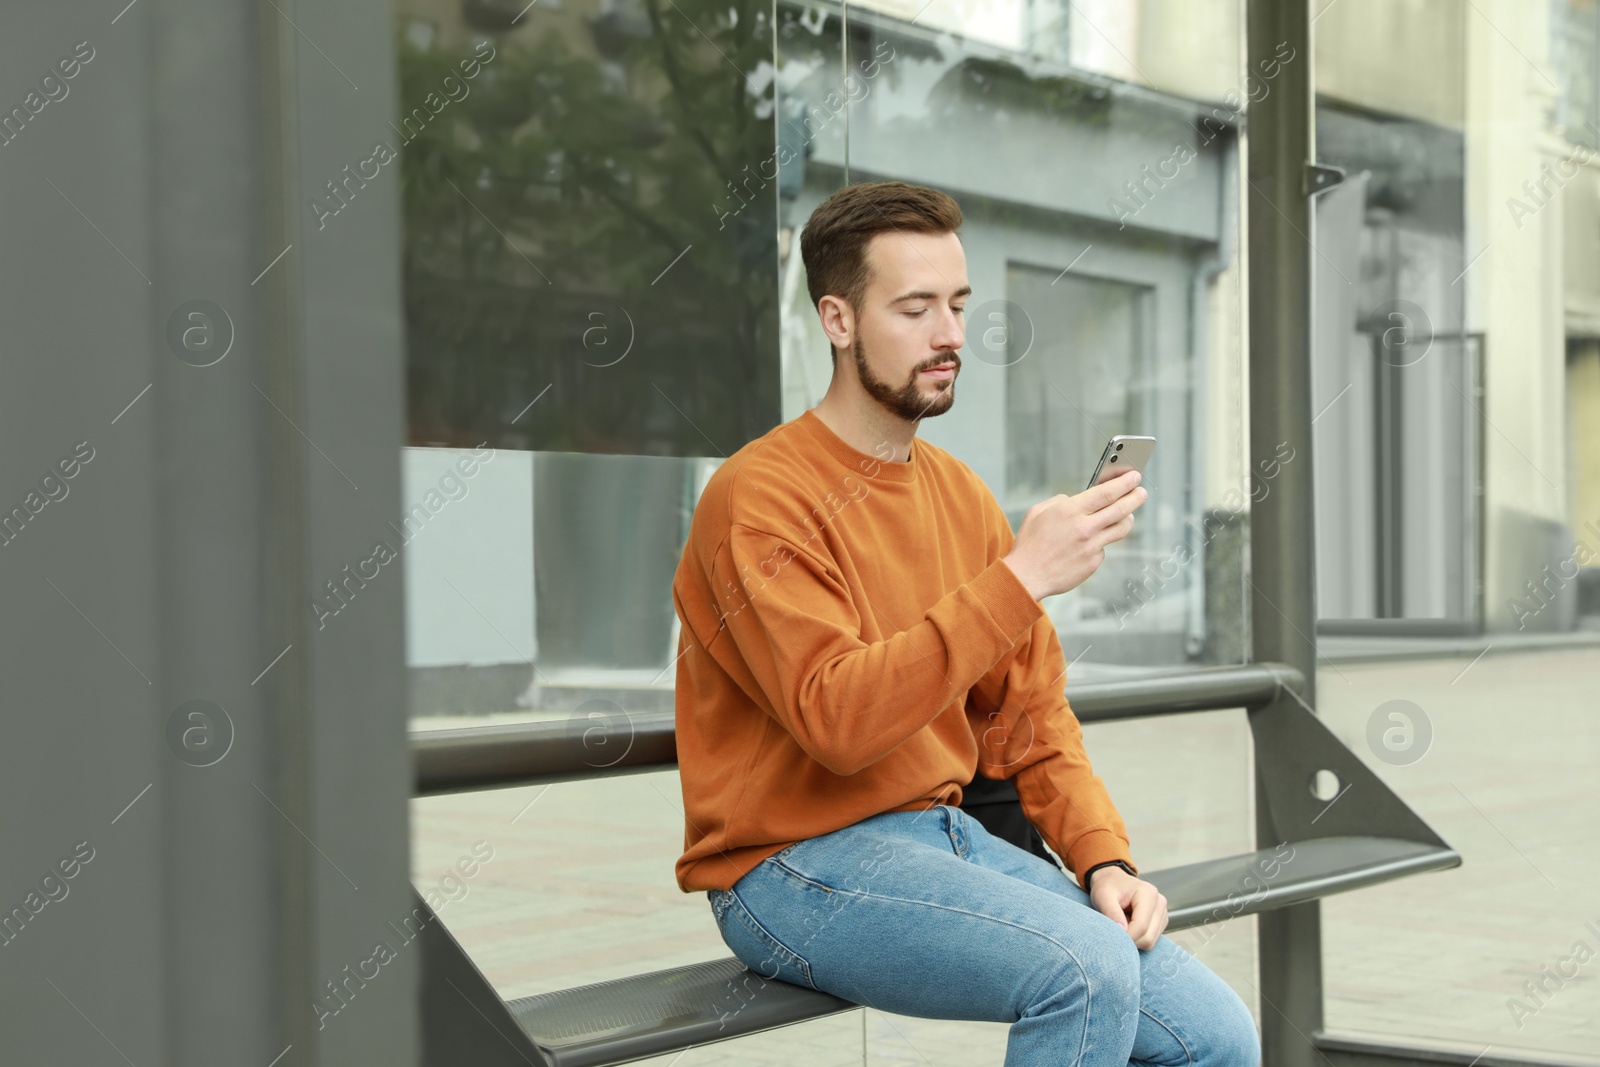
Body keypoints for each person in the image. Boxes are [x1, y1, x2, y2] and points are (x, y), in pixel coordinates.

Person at [669, 179, 1260, 1066]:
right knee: (1084, 967)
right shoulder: (758, 498)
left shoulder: (960, 494)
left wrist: (1104, 859)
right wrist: (1022, 576)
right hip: (786, 867)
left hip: (941, 838)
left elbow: (1031, 715)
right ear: (837, 320)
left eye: (957, 304)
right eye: (915, 308)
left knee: (1218, 1036)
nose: (950, 335)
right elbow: (838, 722)